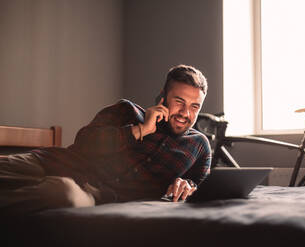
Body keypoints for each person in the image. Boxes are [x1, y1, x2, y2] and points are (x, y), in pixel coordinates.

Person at [0, 64, 211, 215]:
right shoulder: (126, 110)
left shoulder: (199, 146)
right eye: (179, 102)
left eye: (195, 107)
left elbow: (200, 185)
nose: (185, 113)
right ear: (163, 96)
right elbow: (83, 142)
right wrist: (140, 130)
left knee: (61, 193)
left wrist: (188, 185)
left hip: (90, 193)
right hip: (52, 162)